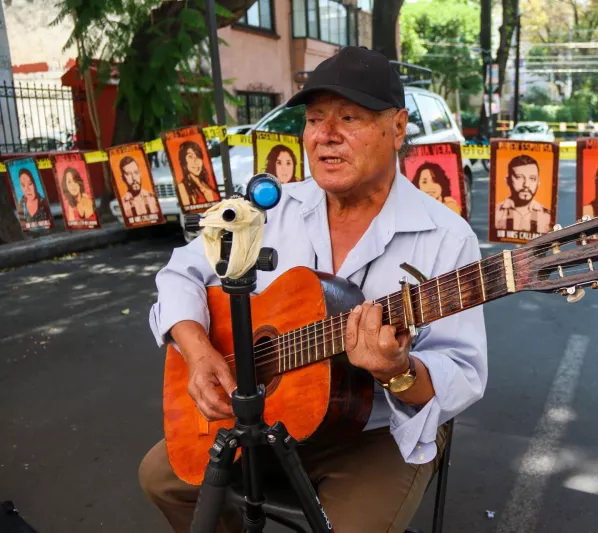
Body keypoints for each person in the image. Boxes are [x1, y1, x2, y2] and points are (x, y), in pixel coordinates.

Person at [139, 47, 487, 533]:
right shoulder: (273, 208)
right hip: (267, 414)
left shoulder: (446, 237)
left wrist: (399, 371)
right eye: (315, 118)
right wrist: (198, 352)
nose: (326, 135)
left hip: (375, 431)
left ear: (398, 128)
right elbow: (182, 271)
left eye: (349, 117)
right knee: (161, 477)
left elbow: (463, 371)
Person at [494, 154, 551, 233]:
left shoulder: (548, 216)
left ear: (538, 183)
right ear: (508, 181)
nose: (526, 184)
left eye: (532, 178)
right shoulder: (495, 213)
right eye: (519, 177)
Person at [176, 140, 219, 207]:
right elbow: (189, 213)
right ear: (184, 161)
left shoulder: (206, 183)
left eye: (198, 157)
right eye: (190, 157)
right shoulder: (182, 187)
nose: (196, 162)